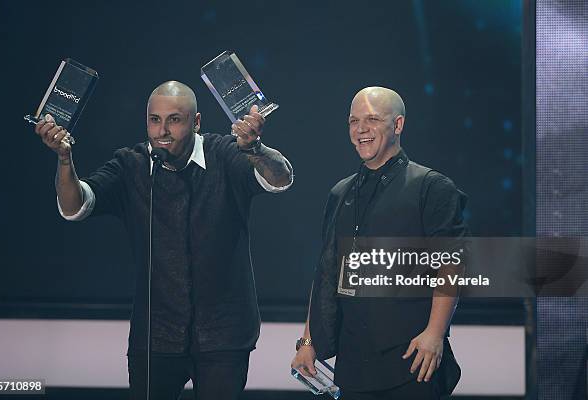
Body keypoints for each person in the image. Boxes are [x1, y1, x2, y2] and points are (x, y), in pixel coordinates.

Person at [34, 81, 293, 400]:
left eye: (174, 119)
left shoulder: (226, 153)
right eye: (154, 120)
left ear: (196, 122)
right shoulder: (131, 164)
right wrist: (63, 160)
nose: (162, 131)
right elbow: (75, 207)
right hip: (155, 336)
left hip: (224, 336)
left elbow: (280, 178)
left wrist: (254, 148)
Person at [291, 87, 467, 399]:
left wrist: (435, 334)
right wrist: (308, 341)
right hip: (354, 362)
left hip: (413, 359)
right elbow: (327, 273)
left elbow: (452, 265)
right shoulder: (340, 193)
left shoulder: (431, 187)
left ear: (397, 125)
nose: (360, 130)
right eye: (353, 121)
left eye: (372, 120)